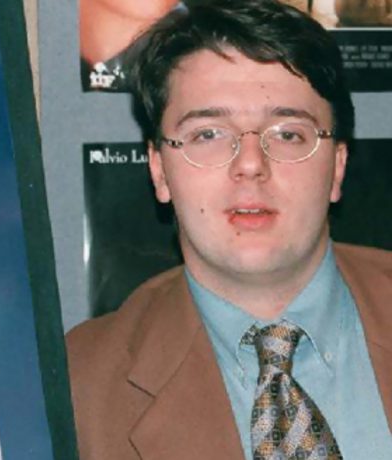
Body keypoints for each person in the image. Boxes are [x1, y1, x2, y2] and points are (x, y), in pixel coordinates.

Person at [67, 0, 392, 459]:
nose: (251, 165)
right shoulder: (76, 386)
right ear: (159, 170)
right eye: (208, 134)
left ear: (337, 166)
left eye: (288, 133)